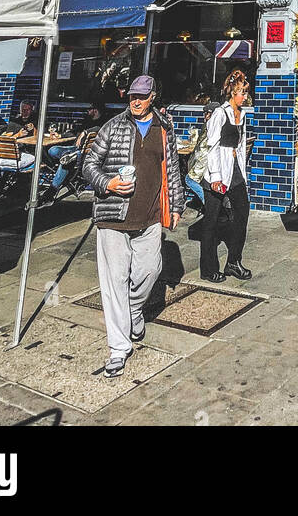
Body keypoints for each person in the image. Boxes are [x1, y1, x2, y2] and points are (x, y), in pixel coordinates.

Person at [82, 74, 185, 379]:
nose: (136, 101)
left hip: (151, 216)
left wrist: (176, 206)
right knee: (114, 283)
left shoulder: (165, 129)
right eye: (131, 97)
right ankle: (118, 347)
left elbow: (172, 171)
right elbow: (88, 165)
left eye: (142, 96)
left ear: (153, 96)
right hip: (112, 216)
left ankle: (134, 310)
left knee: (149, 270)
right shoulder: (112, 126)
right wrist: (108, 182)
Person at [200, 70, 252, 282]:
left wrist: (241, 170)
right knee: (211, 220)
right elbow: (211, 146)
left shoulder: (242, 114)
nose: (245, 97)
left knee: (242, 213)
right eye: (241, 93)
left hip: (235, 172)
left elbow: (240, 145)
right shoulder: (220, 114)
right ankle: (208, 268)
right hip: (217, 172)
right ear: (232, 93)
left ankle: (233, 262)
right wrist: (216, 177)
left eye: (246, 93)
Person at [40, 104, 108, 204]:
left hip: (84, 154)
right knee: (52, 150)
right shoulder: (87, 120)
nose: (87, 112)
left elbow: (101, 128)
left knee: (66, 163)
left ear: (95, 110)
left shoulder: (103, 122)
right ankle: (69, 156)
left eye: (89, 110)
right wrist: (60, 135)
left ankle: (51, 191)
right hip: (74, 149)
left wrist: (85, 132)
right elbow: (75, 132)